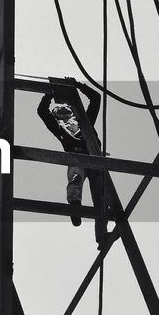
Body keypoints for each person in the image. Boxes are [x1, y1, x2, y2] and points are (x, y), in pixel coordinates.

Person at [37, 80, 103, 237]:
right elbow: (42, 111)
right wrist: (50, 93)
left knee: (101, 197)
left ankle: (101, 234)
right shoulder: (61, 128)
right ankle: (75, 206)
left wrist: (79, 85)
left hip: (94, 157)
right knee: (76, 178)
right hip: (77, 158)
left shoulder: (84, 121)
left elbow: (96, 98)